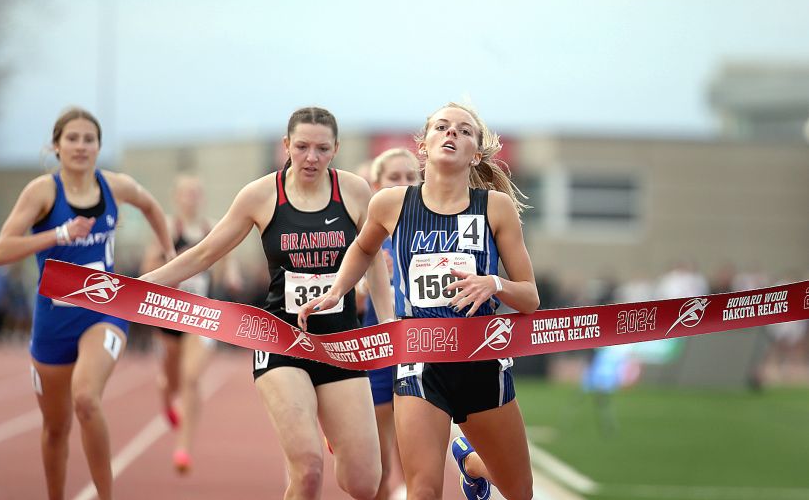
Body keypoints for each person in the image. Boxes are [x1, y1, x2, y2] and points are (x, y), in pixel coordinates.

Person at [140, 106, 395, 500]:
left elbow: (374, 260)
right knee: (308, 469)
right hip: (282, 342)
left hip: (342, 344)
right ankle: (312, 434)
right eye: (302, 146)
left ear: (336, 149)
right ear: (285, 145)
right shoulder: (261, 195)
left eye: (322, 149)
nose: (311, 157)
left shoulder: (355, 192)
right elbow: (205, 253)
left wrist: (388, 321)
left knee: (364, 483)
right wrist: (142, 285)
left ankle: (330, 424)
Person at [299, 103, 540, 500]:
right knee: (423, 490)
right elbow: (362, 249)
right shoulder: (392, 204)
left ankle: (472, 463)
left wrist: (493, 283)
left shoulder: (494, 208)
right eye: (442, 127)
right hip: (420, 362)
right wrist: (336, 290)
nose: (451, 134)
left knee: (519, 492)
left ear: (476, 153)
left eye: (464, 131)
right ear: (424, 145)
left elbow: (530, 297)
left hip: (482, 363)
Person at [0, 107, 176, 500]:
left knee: (87, 399)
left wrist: (170, 256)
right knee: (55, 428)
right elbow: (1, 250)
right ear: (56, 146)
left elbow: (151, 207)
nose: (80, 146)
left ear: (99, 146)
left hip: (105, 309)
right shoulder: (42, 192)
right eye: (71, 138)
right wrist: (58, 233)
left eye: (88, 139)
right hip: (54, 318)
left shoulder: (115, 186)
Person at [140, 174, 220, 473]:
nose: (191, 198)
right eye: (186, 193)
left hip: (201, 315)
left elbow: (224, 263)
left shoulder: (211, 229)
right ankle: (164, 393)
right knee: (172, 379)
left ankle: (183, 447)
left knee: (191, 378)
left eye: (196, 192)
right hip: (169, 313)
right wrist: (174, 265)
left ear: (202, 197)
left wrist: (232, 276)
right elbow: (146, 269)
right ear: (177, 197)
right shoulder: (168, 229)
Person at [362, 148, 419, 500]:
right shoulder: (368, 235)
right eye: (394, 178)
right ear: (376, 184)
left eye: (410, 177)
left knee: (417, 460)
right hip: (379, 356)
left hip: (420, 353)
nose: (403, 184)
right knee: (379, 465)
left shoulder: (431, 231)